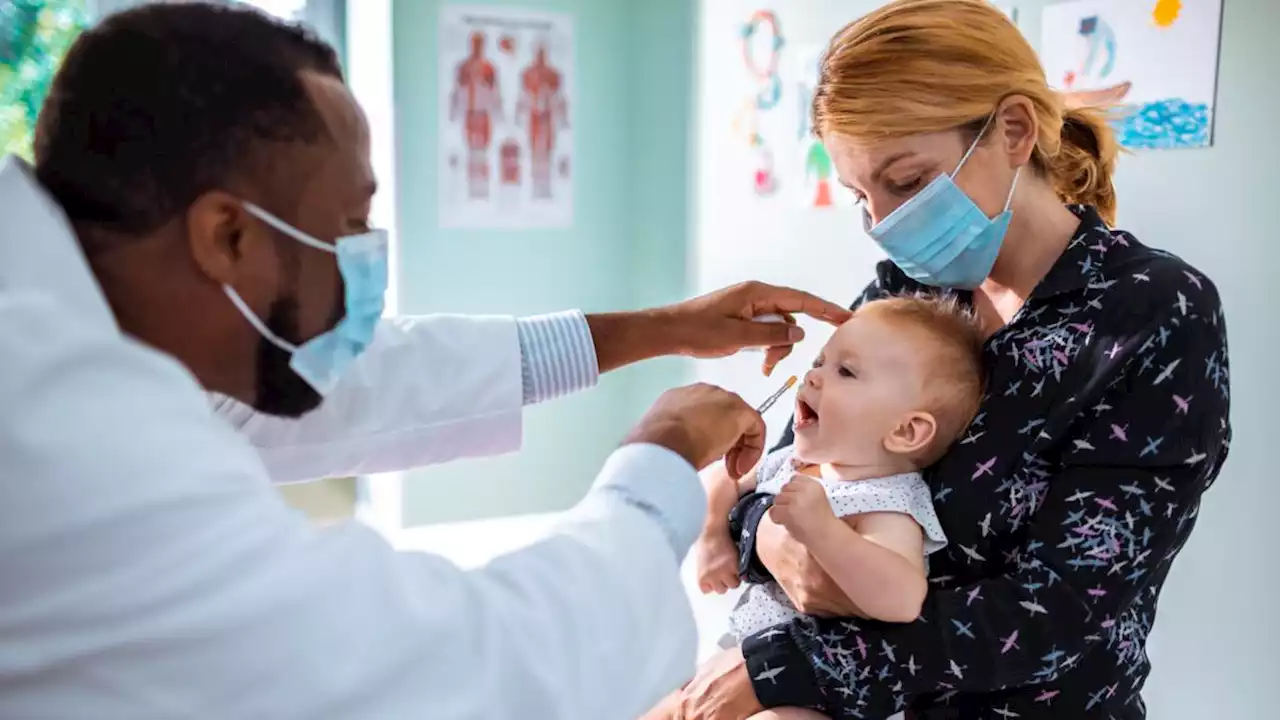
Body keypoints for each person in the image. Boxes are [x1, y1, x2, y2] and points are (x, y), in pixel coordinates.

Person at [0, 4, 853, 719]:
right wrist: (659, 463)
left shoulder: (84, 327)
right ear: (227, 235)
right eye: (349, 225)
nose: (367, 263)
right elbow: (445, 666)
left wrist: (663, 329)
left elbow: (366, 382)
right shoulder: (60, 440)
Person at [652, 0, 1231, 718]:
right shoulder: (914, 289)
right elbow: (791, 463)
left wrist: (786, 665)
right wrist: (774, 539)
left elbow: (1063, 613)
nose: (886, 225)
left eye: (908, 182)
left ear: (1014, 131)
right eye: (863, 196)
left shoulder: (1150, 313)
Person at [658, 296, 983, 720]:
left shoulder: (889, 502)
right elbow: (724, 478)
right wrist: (713, 540)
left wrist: (823, 531)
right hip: (740, 657)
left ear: (906, 430)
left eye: (845, 372)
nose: (813, 376)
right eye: (820, 361)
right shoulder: (794, 459)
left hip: (819, 699)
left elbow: (902, 598)